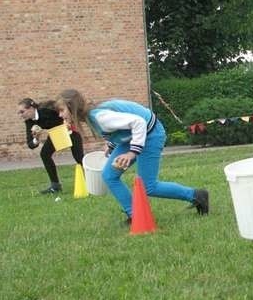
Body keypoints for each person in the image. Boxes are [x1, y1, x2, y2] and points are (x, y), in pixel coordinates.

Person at [56, 89, 209, 225]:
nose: (60, 114)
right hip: (133, 137)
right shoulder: (91, 116)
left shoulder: (100, 117)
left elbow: (138, 122)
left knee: (148, 186)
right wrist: (112, 145)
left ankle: (197, 195)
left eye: (62, 110)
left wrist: (132, 153)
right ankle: (135, 215)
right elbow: (120, 130)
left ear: (72, 107)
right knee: (109, 175)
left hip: (151, 135)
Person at [17, 97, 84, 194]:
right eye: (19, 113)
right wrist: (36, 138)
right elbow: (31, 144)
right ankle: (55, 186)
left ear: (31, 108)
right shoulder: (29, 122)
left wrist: (68, 122)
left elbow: (65, 110)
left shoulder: (47, 109)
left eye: (22, 112)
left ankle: (92, 179)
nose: (20, 115)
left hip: (69, 130)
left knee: (79, 157)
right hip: (56, 133)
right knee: (44, 154)